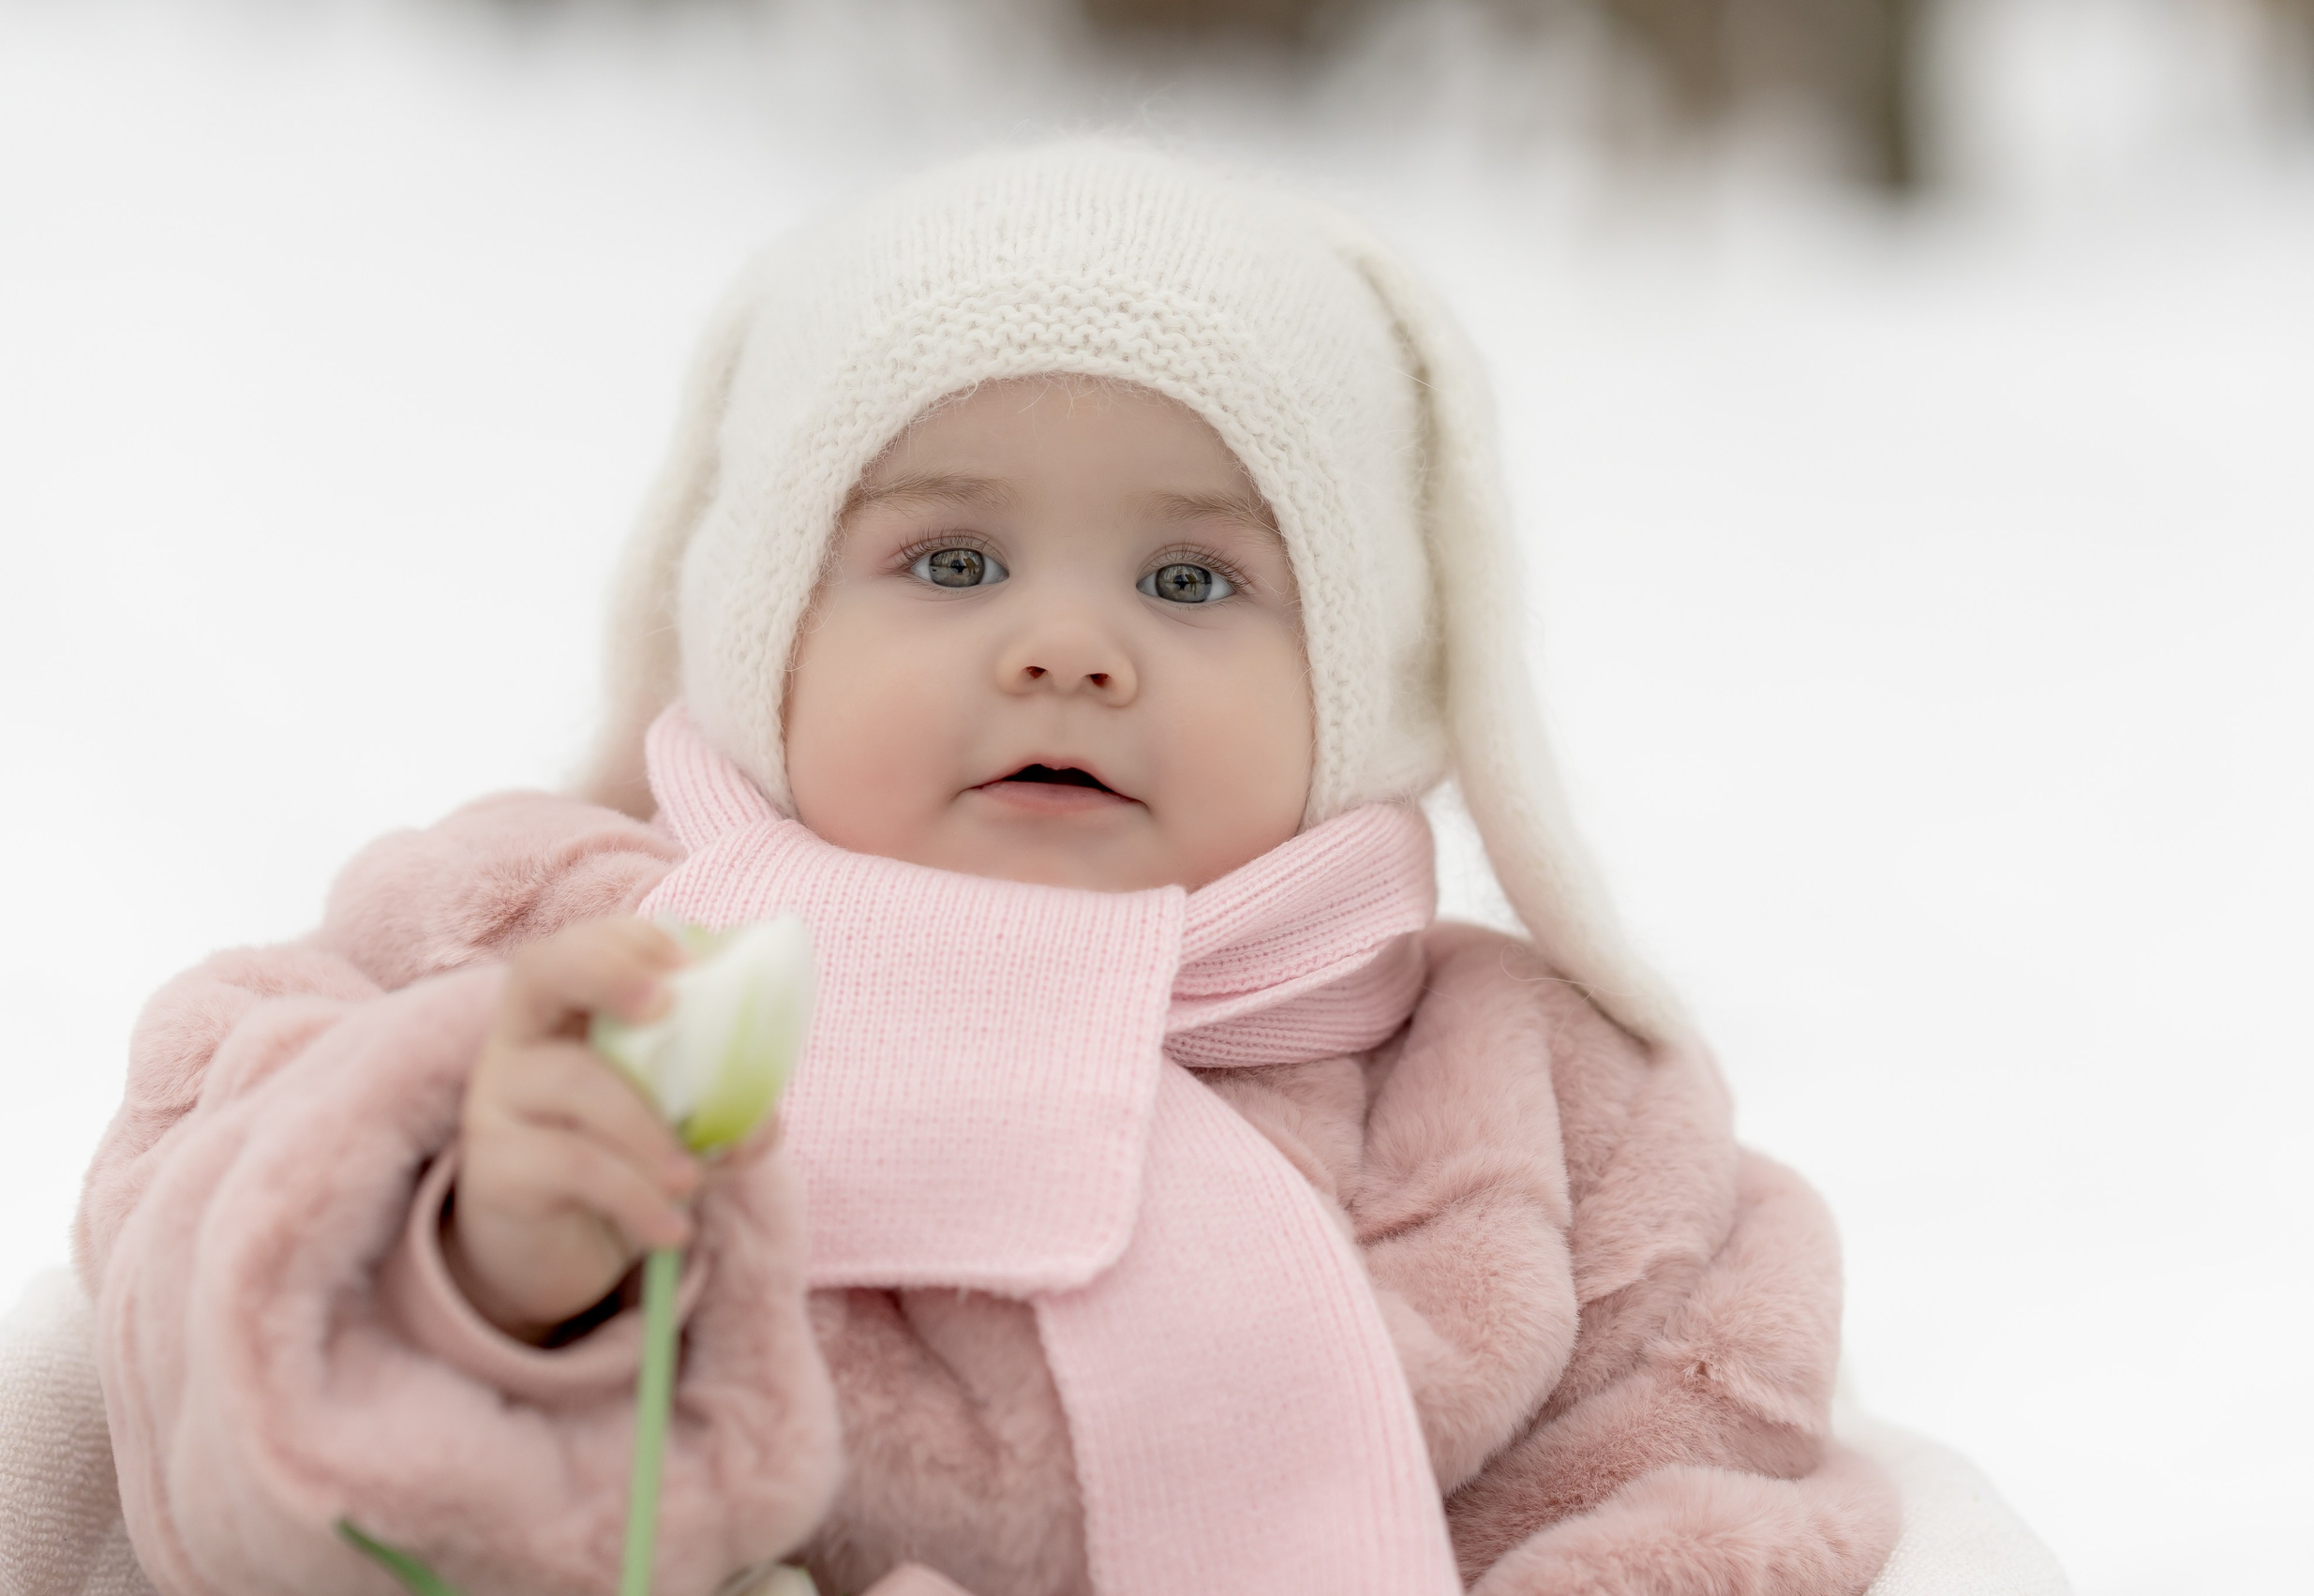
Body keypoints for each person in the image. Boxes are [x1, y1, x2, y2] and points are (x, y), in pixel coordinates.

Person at [74, 143, 1901, 1596]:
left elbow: (1695, 1493)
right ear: (763, 627)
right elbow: (167, 1362)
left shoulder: (1538, 1100)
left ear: (1357, 679)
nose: (1064, 649)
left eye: (1190, 582)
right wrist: (489, 1263)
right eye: (948, 563)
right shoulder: (529, 953)